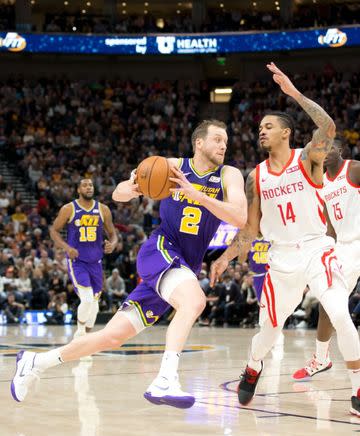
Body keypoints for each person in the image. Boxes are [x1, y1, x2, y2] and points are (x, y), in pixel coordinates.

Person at [10, 119, 247, 408]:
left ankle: (36, 361)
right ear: (199, 143)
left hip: (185, 265)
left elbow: (239, 217)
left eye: (225, 140)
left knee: (111, 336)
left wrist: (195, 194)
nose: (224, 145)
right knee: (195, 301)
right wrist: (135, 187)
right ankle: (165, 380)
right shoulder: (171, 166)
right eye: (217, 140)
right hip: (161, 249)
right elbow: (118, 192)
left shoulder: (229, 175)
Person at [210, 62, 360, 416]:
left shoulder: (309, 159)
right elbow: (250, 229)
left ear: (286, 133)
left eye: (269, 126)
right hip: (280, 259)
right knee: (268, 332)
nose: (261, 131)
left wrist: (293, 93)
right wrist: (226, 257)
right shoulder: (255, 176)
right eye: (260, 127)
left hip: (317, 249)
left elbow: (328, 126)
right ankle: (253, 365)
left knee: (339, 312)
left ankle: (357, 390)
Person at [293, 139, 360, 379]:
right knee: (328, 302)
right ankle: (321, 358)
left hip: (356, 245)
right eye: (320, 151)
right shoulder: (323, 185)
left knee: (333, 303)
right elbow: (330, 226)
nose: (324, 153)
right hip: (342, 247)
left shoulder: (353, 169)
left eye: (329, 148)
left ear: (339, 150)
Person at [49, 178, 118, 339]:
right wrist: (67, 248)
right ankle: (79, 333)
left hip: (96, 262)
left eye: (91, 185)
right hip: (78, 261)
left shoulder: (103, 209)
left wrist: (112, 245)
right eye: (85, 185)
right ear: (78, 190)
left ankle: (86, 337)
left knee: (94, 306)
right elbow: (54, 231)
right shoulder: (69, 209)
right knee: (86, 299)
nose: (89, 187)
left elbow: (113, 234)